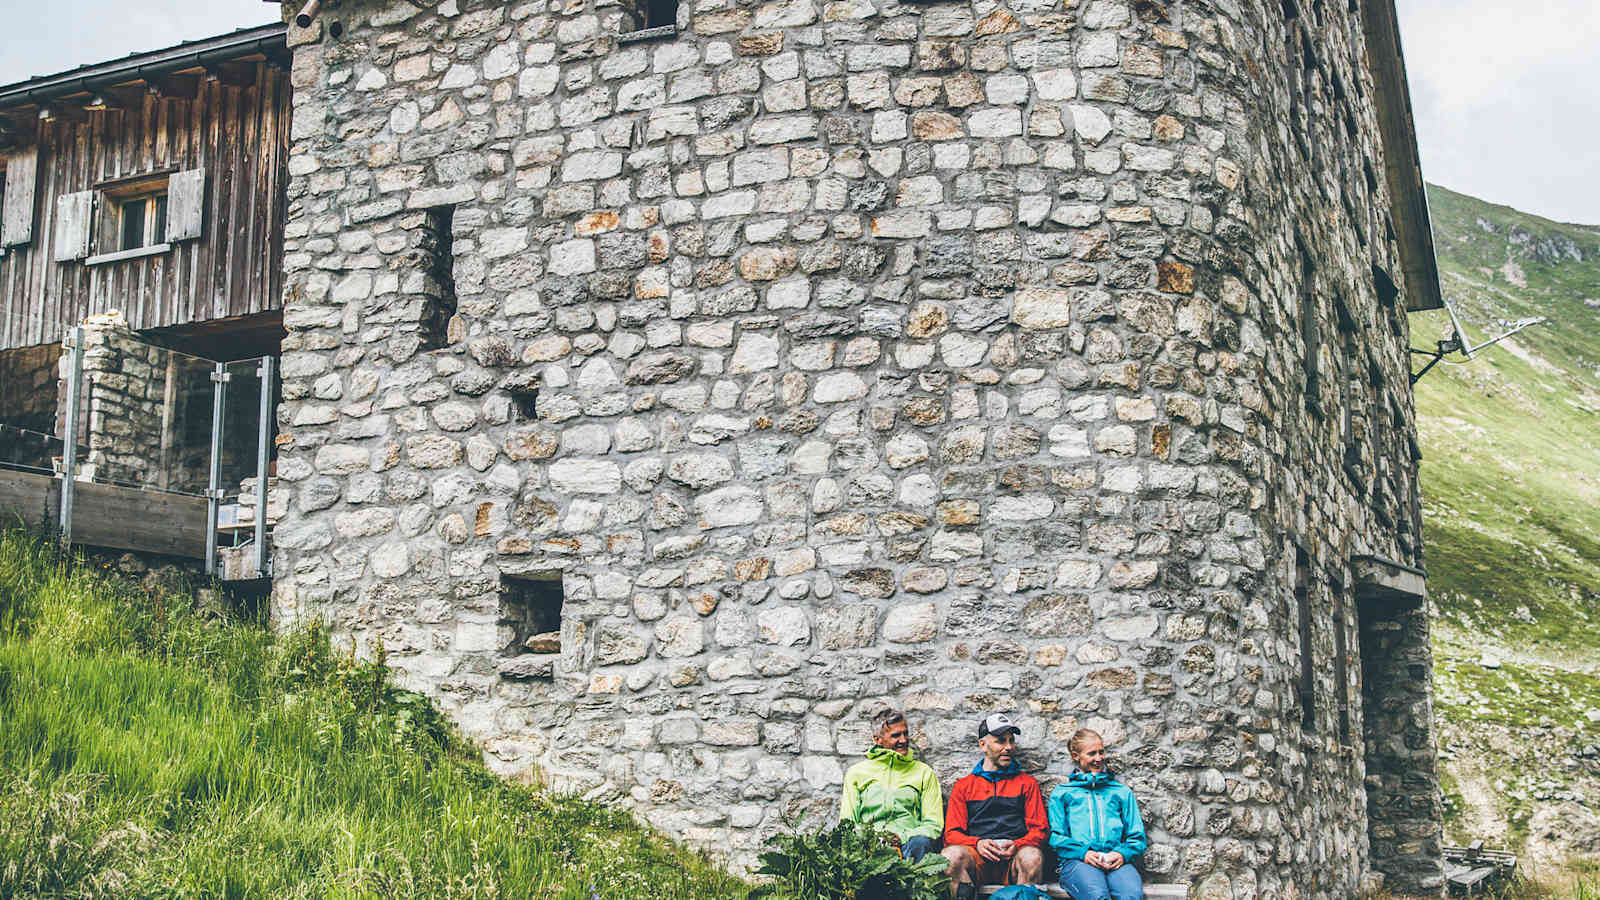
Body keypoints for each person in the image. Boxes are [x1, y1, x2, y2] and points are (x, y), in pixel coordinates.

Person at [941, 714, 1048, 900]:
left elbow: (1040, 830)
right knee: (951, 855)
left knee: (1032, 856)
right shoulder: (964, 786)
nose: (1008, 747)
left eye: (1011, 741)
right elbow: (951, 834)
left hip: (1014, 859)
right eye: (1000, 741)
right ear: (983, 745)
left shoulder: (1026, 783)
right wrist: (977, 844)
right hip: (977, 859)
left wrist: (1017, 845)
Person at [1048, 729, 1147, 900]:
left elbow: (1137, 837)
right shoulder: (1062, 793)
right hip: (1078, 862)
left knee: (1131, 895)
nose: (1099, 758)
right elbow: (1057, 837)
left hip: (1116, 861)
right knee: (1097, 896)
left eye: (1101, 752)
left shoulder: (1121, 792)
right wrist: (1084, 853)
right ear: (1075, 755)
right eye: (1092, 753)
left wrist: (1121, 854)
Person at [840, 708, 945, 863]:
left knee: (921, 842)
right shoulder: (856, 773)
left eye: (905, 733)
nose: (903, 740)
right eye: (895, 735)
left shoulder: (924, 773)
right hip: (869, 848)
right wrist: (875, 841)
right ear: (878, 739)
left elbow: (933, 824)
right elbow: (847, 822)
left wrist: (900, 838)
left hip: (910, 847)